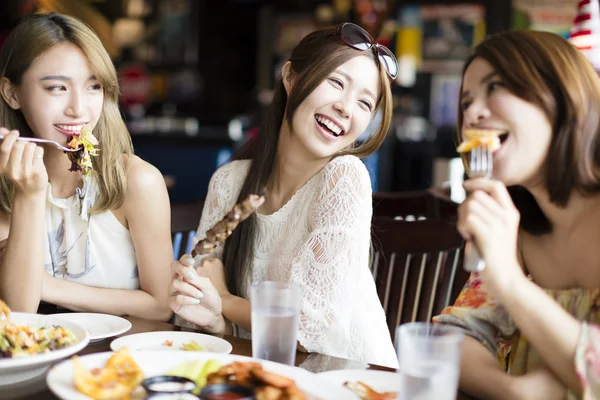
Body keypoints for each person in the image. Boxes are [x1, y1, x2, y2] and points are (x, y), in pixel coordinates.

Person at [168, 23, 399, 367]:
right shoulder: (229, 182)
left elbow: (309, 331)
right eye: (336, 82)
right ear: (291, 77)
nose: (347, 108)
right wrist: (213, 315)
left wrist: (225, 300)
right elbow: (197, 308)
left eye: (365, 103)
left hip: (348, 382)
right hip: (261, 372)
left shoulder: (344, 178)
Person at [433, 30, 600, 400]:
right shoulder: (516, 225)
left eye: (495, 87)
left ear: (563, 95)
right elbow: (452, 336)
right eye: (465, 102)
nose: (473, 113)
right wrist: (515, 391)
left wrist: (509, 280)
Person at [0, 13, 172, 320]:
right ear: (12, 93)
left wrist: (49, 286)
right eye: (57, 88)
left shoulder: (136, 180)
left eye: (93, 86)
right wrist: (29, 194)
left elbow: (161, 305)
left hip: (119, 360)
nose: (79, 109)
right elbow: (19, 308)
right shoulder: (8, 180)